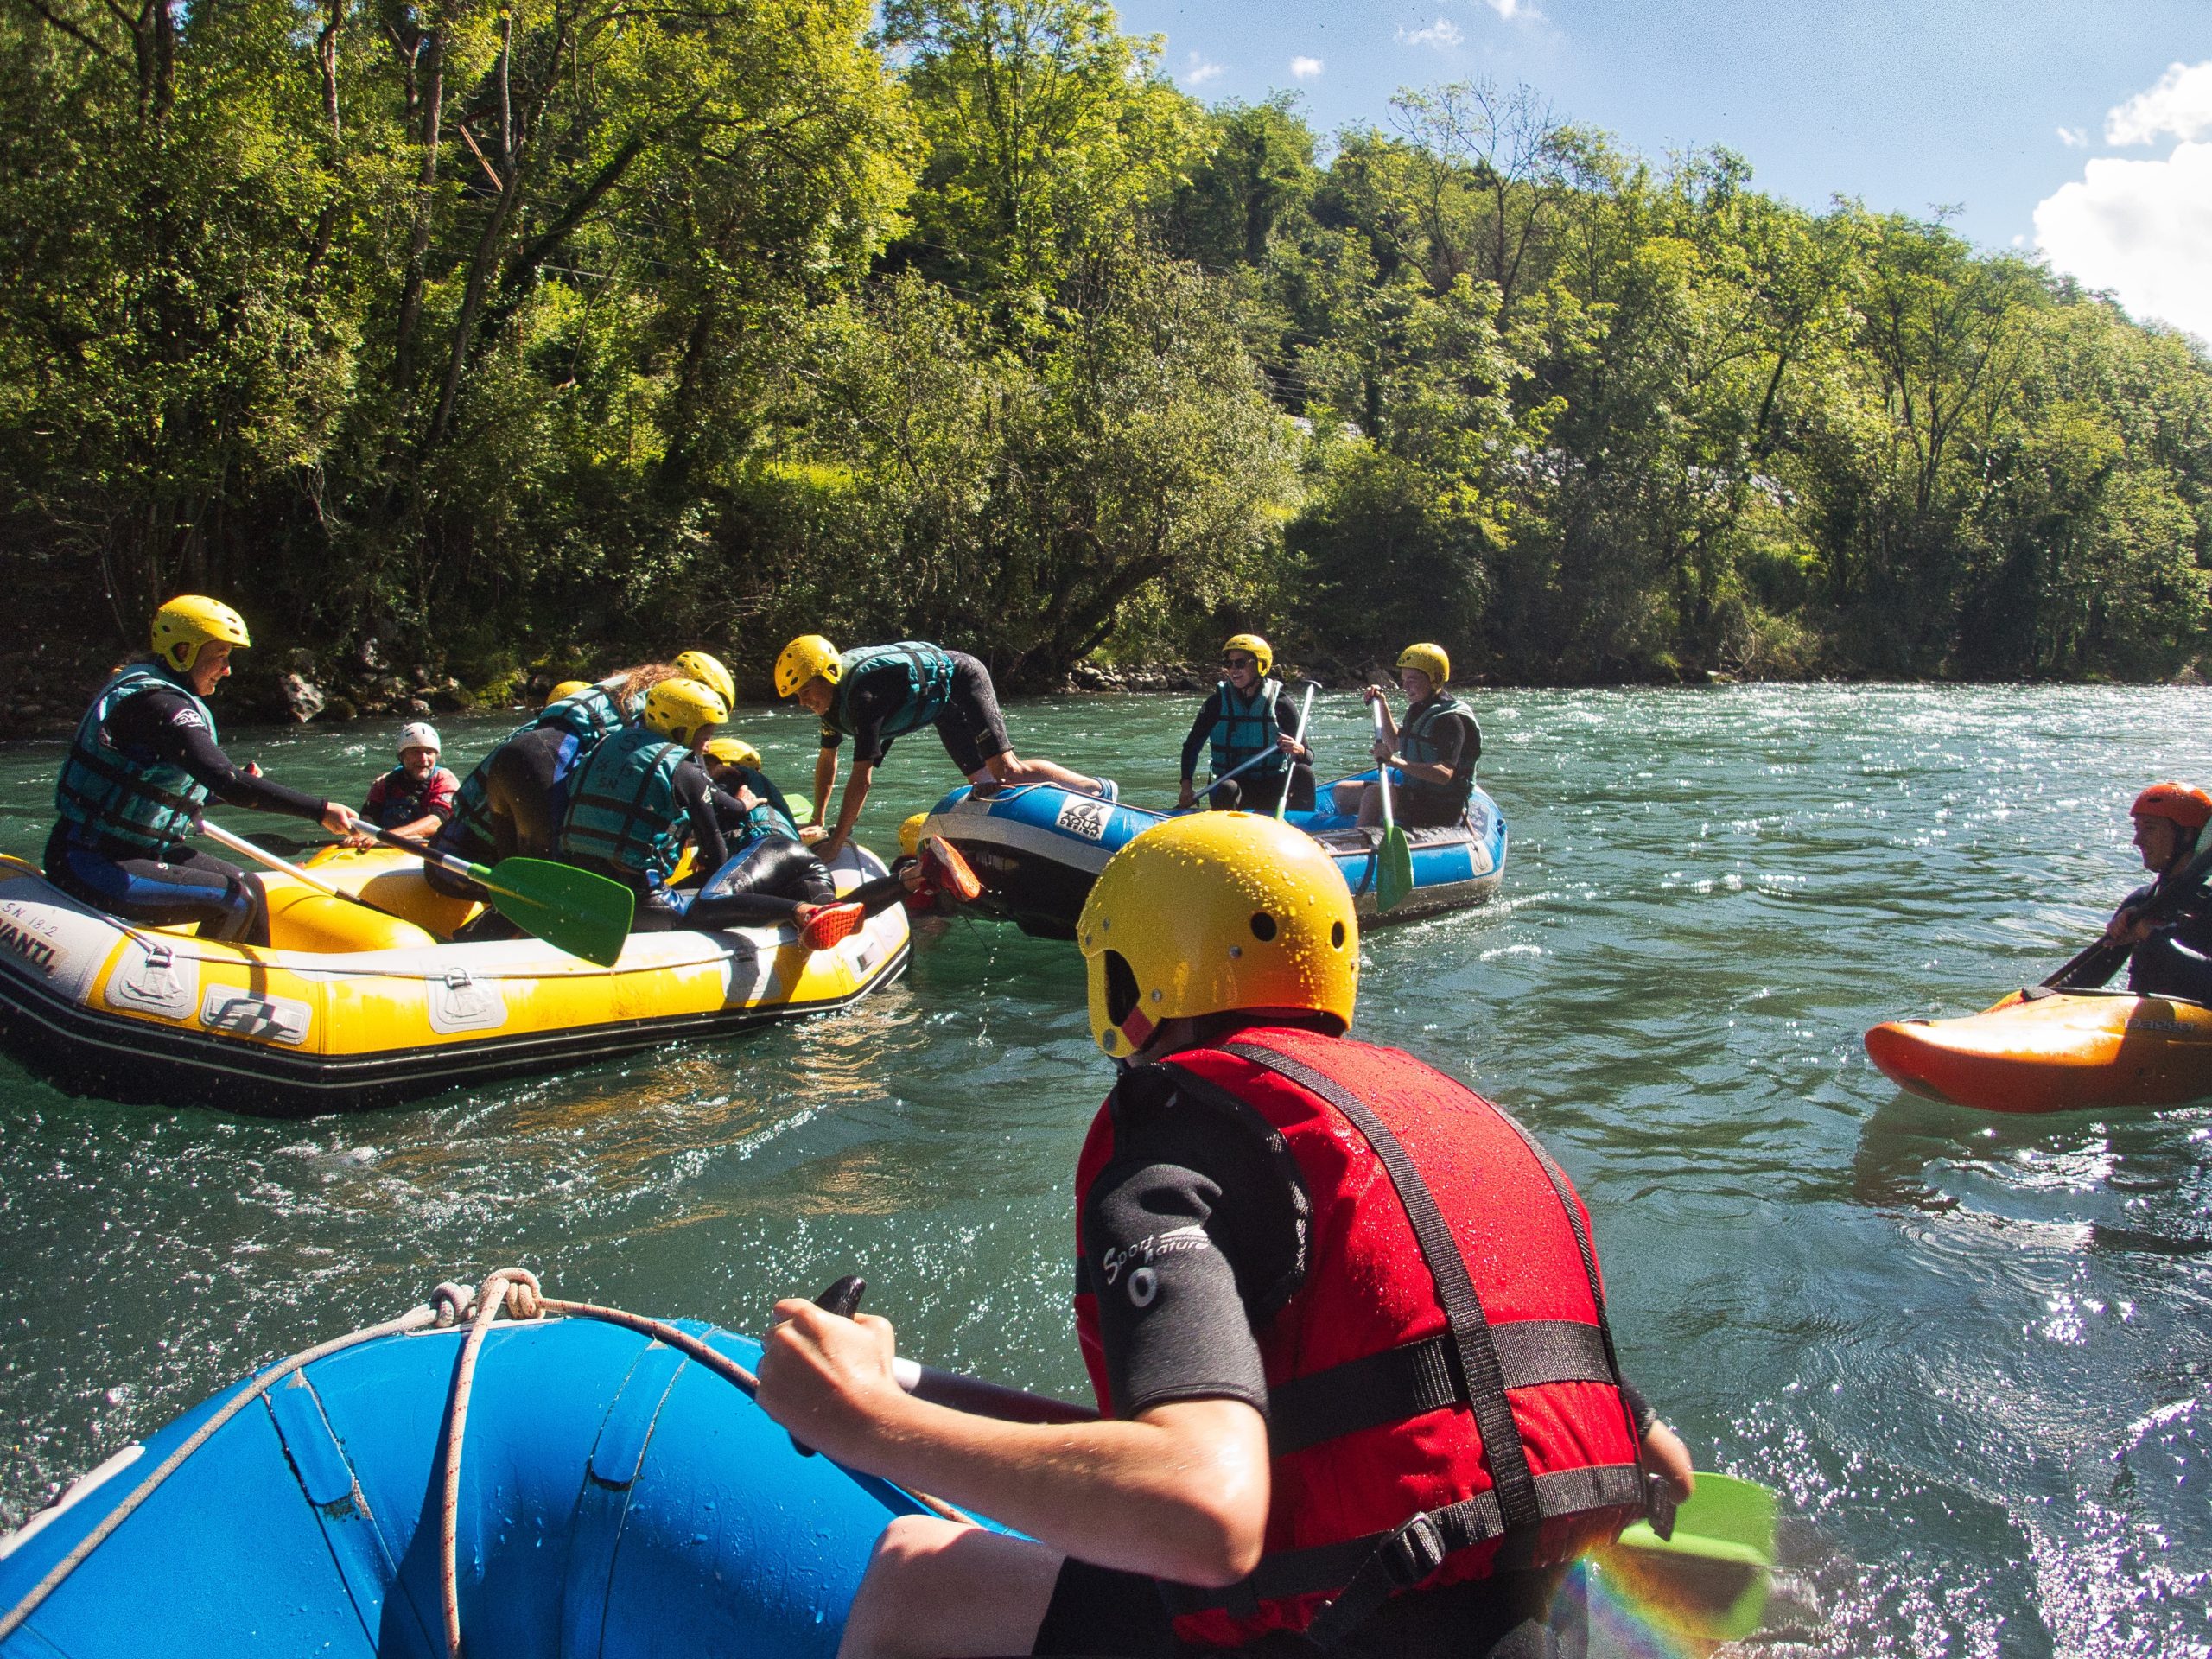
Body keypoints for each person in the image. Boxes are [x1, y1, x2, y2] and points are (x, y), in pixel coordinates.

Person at [755, 813, 1695, 1659]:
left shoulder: (1172, 1144)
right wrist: (913, 1390)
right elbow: (1663, 1471)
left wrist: (860, 1421)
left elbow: (1205, 1515)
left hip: (1334, 1629)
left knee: (914, 1564)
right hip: (1538, 1625)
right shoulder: (1462, 1129)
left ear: (1128, 975)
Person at [47, 596, 359, 941]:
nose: (228, 670)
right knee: (236, 899)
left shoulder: (165, 698)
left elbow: (155, 790)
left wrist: (210, 794)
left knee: (250, 884)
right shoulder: (157, 705)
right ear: (183, 652)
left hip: (139, 851)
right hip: (89, 858)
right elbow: (231, 783)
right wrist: (320, 810)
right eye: (220, 657)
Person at [774, 635, 1116, 863]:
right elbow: (827, 760)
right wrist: (819, 820)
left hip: (962, 679)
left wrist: (837, 843)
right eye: (797, 696)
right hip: (938, 707)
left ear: (828, 675)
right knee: (984, 787)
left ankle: (1097, 788)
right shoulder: (832, 709)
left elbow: (862, 778)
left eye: (806, 691)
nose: (803, 702)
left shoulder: (863, 697)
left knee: (1007, 771)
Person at [429, 663, 683, 895]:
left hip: (514, 756)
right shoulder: (671, 703)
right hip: (545, 765)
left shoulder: (625, 686)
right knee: (544, 891)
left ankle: (476, 932)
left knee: (513, 885)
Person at [1332, 644, 1481, 830]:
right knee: (1341, 792)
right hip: (1417, 794)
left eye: (1413, 680)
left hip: (1441, 806)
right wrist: (1382, 704)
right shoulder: (1418, 709)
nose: (1405, 686)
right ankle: (1362, 828)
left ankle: (1359, 844)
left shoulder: (1451, 720)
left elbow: (1444, 774)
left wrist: (1394, 762)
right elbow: (1394, 743)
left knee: (1373, 795)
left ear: (1435, 679)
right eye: (1404, 680)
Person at [2099, 782, 2212, 1003]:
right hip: (2144, 1026)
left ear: (2187, 835)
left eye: (2149, 828)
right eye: (2137, 828)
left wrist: (2150, 936)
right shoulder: (2142, 901)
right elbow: (2085, 978)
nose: (2137, 840)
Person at [1178, 633, 1314, 814]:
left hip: (1272, 786)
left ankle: (1305, 829)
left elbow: (1309, 757)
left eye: (1240, 663)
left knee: (1304, 773)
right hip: (1232, 785)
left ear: (1261, 665)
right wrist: (1186, 787)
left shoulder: (1281, 703)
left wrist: (1299, 750)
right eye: (1229, 664)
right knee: (1228, 788)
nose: (1233, 669)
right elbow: (1191, 747)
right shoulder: (1216, 703)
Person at [355, 722, 458, 840]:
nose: (423, 759)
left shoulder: (444, 779)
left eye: (429, 752)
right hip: (385, 845)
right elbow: (368, 816)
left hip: (427, 848)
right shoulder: (385, 782)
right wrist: (361, 834)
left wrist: (384, 837)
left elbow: (437, 821)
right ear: (402, 756)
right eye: (415, 751)